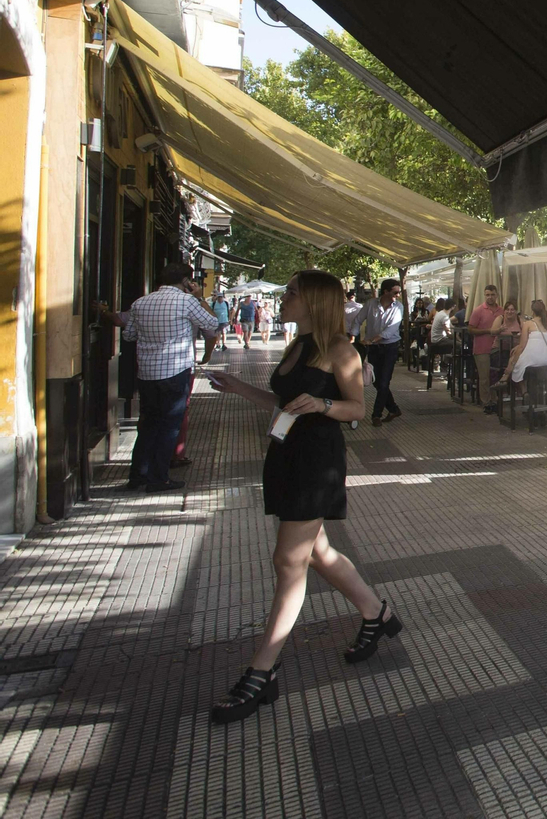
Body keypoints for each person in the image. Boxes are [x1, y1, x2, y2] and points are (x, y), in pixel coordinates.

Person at [205, 270, 401, 724]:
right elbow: (284, 401)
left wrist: (323, 406)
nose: (285, 298)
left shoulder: (341, 349)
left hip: (317, 462)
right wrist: (239, 388)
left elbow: (356, 408)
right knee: (315, 551)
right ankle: (378, 613)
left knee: (288, 561)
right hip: (286, 455)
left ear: (313, 301)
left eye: (292, 292)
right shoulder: (297, 346)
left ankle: (262, 669)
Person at [115, 263, 220, 492]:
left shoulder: (141, 302)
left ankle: (138, 475)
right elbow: (212, 324)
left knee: (148, 424)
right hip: (175, 372)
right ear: (185, 281)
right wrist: (200, 298)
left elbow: (129, 334)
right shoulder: (186, 302)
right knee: (169, 426)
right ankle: (158, 478)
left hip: (147, 374)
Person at [356, 278, 407, 425]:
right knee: (376, 382)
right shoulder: (371, 304)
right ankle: (393, 409)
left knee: (384, 382)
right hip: (373, 349)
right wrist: (353, 336)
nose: (397, 295)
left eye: (398, 292)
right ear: (385, 291)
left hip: (390, 347)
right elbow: (358, 320)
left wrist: (371, 340)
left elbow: (391, 330)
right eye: (395, 292)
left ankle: (376, 415)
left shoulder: (398, 307)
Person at [492, 299, 547, 399]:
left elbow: (522, 345)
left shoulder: (528, 323)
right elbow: (537, 341)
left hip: (534, 359)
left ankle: (519, 388)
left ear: (533, 311)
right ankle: (510, 382)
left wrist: (513, 362)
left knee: (514, 360)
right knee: (516, 358)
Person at [465, 285, 504, 408]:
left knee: (495, 377)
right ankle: (486, 402)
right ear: (484, 295)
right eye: (487, 295)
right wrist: (489, 331)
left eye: (492, 294)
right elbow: (470, 329)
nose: (490, 297)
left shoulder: (502, 311)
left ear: (497, 295)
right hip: (481, 349)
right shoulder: (478, 310)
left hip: (497, 349)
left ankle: (495, 400)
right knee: (484, 377)